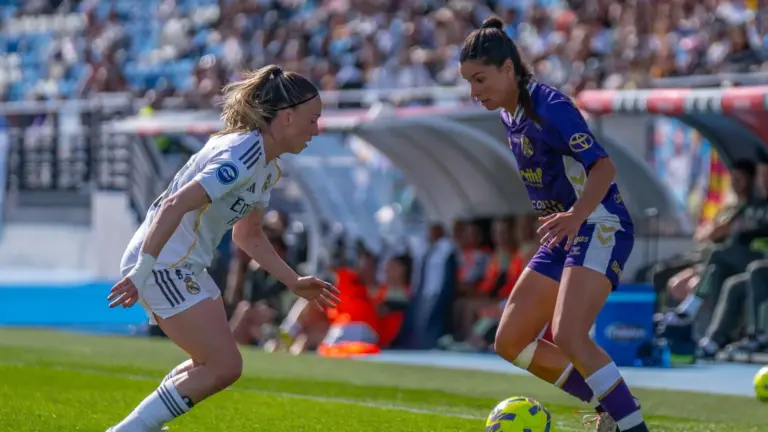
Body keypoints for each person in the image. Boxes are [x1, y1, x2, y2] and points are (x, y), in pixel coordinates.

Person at [105, 64, 341, 432]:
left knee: (213, 364)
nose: (317, 128)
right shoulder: (243, 153)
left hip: (183, 265)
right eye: (313, 119)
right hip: (164, 261)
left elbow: (248, 236)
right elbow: (173, 205)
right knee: (224, 365)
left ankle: (139, 428)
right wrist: (143, 269)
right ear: (288, 117)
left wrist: (293, 282)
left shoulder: (267, 166)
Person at [459, 17, 646, 432]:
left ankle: (631, 425)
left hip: (599, 223)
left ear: (508, 68)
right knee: (510, 340)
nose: (474, 92)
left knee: (568, 335)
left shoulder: (551, 108)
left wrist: (574, 216)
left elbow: (603, 167)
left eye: (480, 79)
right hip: (565, 234)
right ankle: (610, 407)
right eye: (469, 82)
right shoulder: (510, 114)